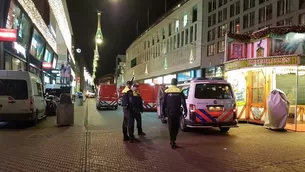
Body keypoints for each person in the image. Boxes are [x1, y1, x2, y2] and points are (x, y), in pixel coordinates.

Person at [162, 78, 187, 149]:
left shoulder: (167, 91)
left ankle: (171, 140)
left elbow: (163, 103)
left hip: (169, 112)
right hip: (177, 112)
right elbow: (183, 102)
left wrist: (163, 113)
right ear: (176, 83)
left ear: (171, 83)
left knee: (170, 126)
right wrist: (185, 110)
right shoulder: (180, 91)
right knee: (176, 127)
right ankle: (174, 140)